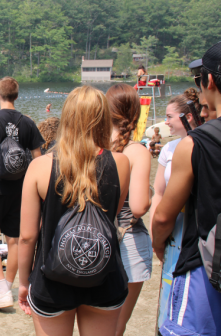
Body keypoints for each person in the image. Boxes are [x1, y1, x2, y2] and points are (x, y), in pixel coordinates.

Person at [18, 85, 131, 335]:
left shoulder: (39, 167)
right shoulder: (121, 163)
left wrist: (23, 282)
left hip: (51, 280)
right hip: (104, 274)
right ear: (104, 119)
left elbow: (27, 236)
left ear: (67, 117)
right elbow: (111, 214)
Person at [153, 41, 221, 336]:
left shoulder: (196, 144)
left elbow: (163, 216)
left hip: (204, 264)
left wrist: (159, 244)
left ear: (209, 81)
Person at [0, 77, 45, 309]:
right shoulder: (28, 123)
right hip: (21, 191)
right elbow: (39, 161)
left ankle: (3, 289)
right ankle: (7, 287)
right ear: (16, 96)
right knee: (14, 240)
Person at [150, 89, 200, 329]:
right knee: (169, 282)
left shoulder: (202, 144)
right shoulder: (169, 150)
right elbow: (158, 192)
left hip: (194, 224)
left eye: (170, 116)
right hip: (172, 226)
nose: (166, 121)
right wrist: (155, 234)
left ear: (187, 116)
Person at [106, 83, 152, 336]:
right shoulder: (137, 151)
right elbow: (138, 206)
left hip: (98, 239)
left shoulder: (93, 148)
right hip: (129, 241)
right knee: (117, 325)